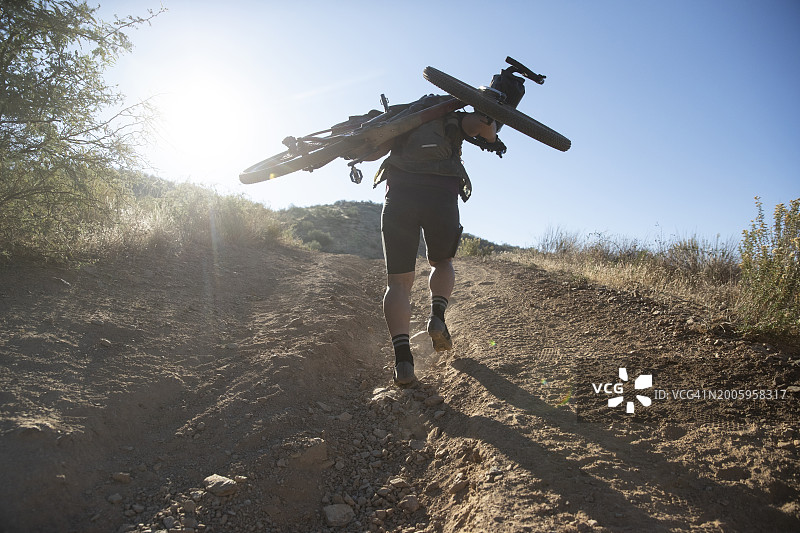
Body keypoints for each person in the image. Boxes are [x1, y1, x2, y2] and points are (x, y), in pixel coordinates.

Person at [366, 100, 499, 386]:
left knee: (398, 284)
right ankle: (437, 315)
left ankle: (403, 360)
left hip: (399, 199)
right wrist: (494, 131)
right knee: (442, 262)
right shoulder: (453, 118)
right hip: (441, 198)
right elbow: (485, 128)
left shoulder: (399, 120)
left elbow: (369, 150)